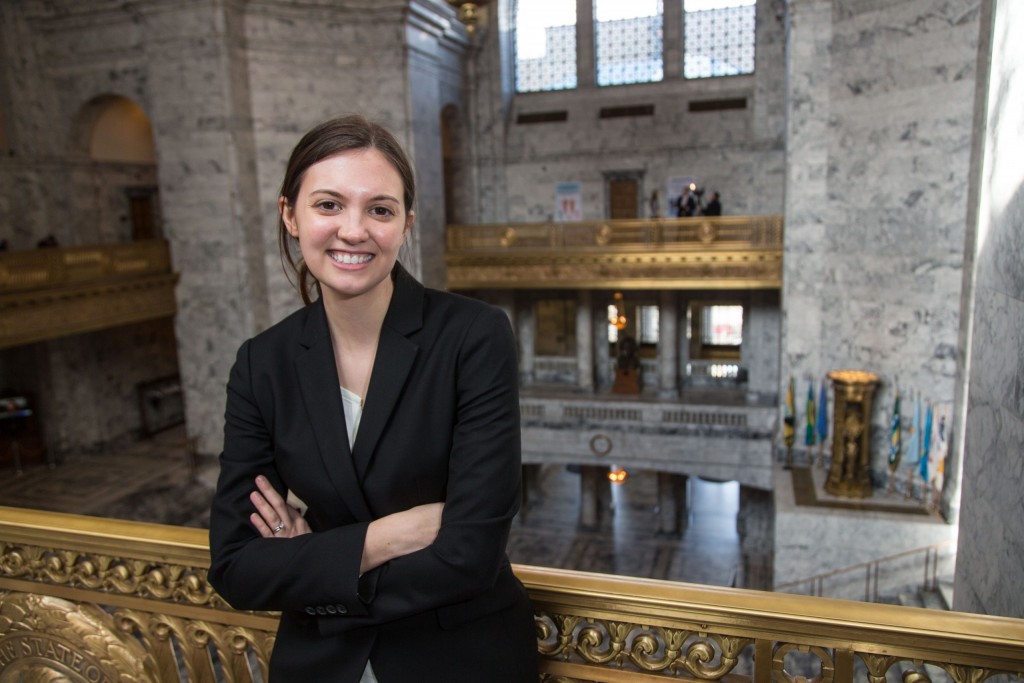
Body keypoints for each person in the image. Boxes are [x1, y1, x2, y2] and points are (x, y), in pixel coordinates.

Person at [208, 114, 538, 682]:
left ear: (407, 223)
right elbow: (237, 566)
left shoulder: (474, 335)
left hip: (460, 658)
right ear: (290, 215)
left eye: (379, 209)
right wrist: (385, 537)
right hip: (320, 666)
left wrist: (314, 566)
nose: (353, 230)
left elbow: (470, 556)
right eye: (329, 205)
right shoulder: (262, 362)